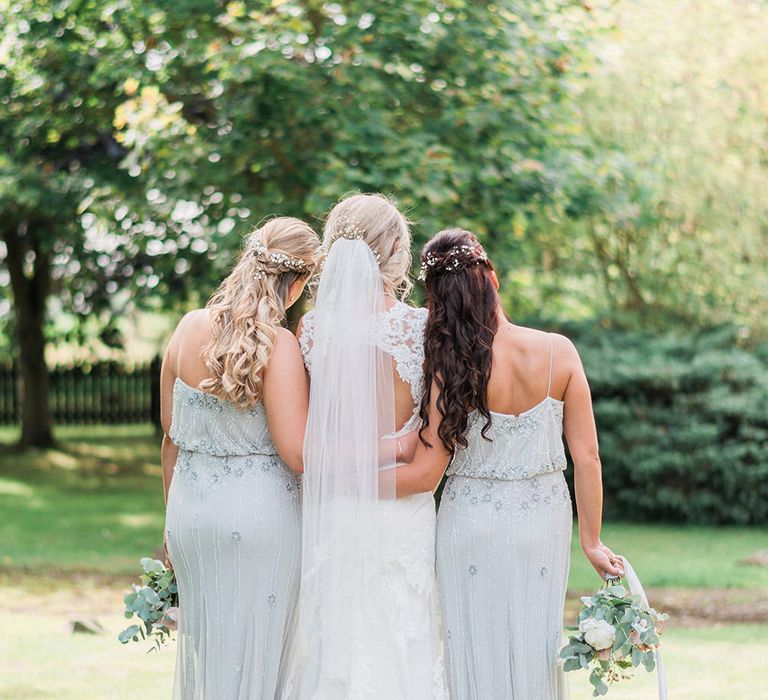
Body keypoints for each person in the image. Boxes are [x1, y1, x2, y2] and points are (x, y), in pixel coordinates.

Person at [395, 228, 623, 700]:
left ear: (439, 302)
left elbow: (429, 458)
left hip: (469, 518)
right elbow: (587, 456)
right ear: (492, 279)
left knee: (472, 644)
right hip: (542, 519)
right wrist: (592, 541)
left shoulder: (448, 365)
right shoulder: (559, 350)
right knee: (534, 644)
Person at [282, 193, 447, 699]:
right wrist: (396, 449)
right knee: (403, 640)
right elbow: (429, 451)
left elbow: (312, 438)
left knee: (337, 645)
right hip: (401, 513)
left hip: (335, 512)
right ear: (396, 250)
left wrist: (342, 479)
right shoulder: (420, 329)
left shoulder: (311, 331)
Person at [160, 217, 320, 699]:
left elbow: (171, 441)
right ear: (298, 284)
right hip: (258, 522)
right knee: (260, 662)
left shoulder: (188, 327)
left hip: (190, 516)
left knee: (212, 665)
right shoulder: (281, 345)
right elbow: (297, 454)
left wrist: (170, 526)